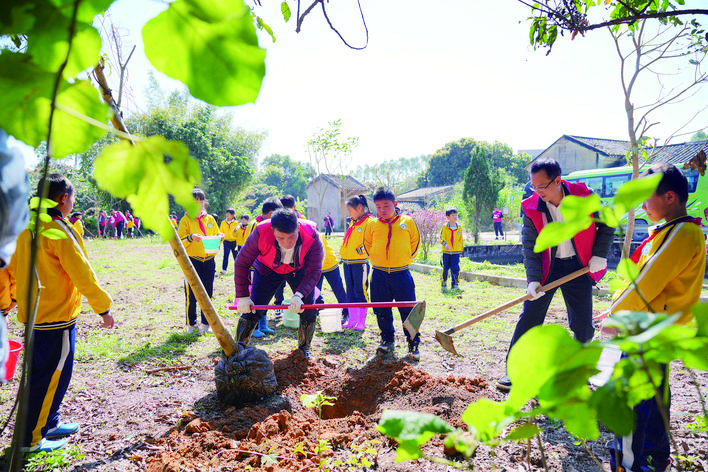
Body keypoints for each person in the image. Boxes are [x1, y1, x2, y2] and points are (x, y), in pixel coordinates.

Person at [602, 163, 705, 472]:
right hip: (655, 326)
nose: (643, 206)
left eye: (647, 198)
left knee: (633, 399)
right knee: (655, 395)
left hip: (648, 328)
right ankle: (655, 456)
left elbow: (646, 281)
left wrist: (616, 314)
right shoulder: (670, 231)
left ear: (670, 197)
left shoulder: (682, 232)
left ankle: (628, 463)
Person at [8, 173, 114, 453]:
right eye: (73, 198)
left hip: (35, 315)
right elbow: (81, 271)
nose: (73, 203)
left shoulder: (24, 224)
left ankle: (49, 423)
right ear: (64, 198)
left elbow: (8, 267)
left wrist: (7, 302)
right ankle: (30, 440)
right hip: (55, 317)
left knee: (51, 373)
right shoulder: (56, 227)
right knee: (51, 376)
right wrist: (103, 307)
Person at [495, 158, 614, 391]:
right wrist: (534, 280)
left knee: (583, 324)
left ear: (558, 180)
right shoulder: (530, 206)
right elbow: (530, 245)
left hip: (579, 267)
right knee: (529, 317)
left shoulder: (584, 195)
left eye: (542, 186)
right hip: (548, 268)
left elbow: (607, 224)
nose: (537, 192)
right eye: (533, 186)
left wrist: (599, 255)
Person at [234, 208, 323, 357]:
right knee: (253, 308)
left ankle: (304, 350)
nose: (287, 243)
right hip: (267, 269)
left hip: (298, 270)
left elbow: (314, 270)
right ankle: (238, 351)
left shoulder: (312, 234)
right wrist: (243, 296)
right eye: (281, 238)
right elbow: (241, 263)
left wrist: (299, 295)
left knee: (309, 307)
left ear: (298, 228)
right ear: (272, 230)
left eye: (292, 237)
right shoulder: (261, 231)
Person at [363, 186, 421, 360]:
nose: (382, 210)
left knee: (408, 311)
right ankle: (387, 340)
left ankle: (413, 344)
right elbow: (367, 244)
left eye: (386, 206)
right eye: (378, 207)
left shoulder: (407, 222)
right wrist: (376, 259)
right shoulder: (372, 224)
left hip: (402, 274)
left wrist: (402, 261)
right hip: (379, 274)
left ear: (394, 204)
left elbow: (415, 244)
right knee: (381, 310)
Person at [178, 188, 224, 335]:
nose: (198, 204)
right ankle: (191, 325)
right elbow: (179, 241)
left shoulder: (210, 219)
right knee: (191, 294)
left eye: (201, 201)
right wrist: (191, 237)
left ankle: (206, 323)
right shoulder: (185, 220)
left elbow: (216, 235)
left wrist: (220, 236)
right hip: (192, 261)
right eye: (195, 201)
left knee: (207, 293)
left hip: (209, 260)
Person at [340, 194, 371, 330]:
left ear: (359, 208)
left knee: (361, 291)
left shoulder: (369, 222)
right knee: (351, 292)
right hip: (348, 263)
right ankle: (352, 319)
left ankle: (361, 321)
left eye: (350, 210)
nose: (349, 214)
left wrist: (360, 250)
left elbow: (371, 241)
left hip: (360, 263)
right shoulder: (353, 222)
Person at [315, 233, 349, 323]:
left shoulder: (316, 235)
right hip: (317, 267)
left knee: (338, 288)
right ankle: (319, 309)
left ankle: (346, 312)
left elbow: (322, 253)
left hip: (330, 264)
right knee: (315, 289)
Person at [440, 208, 463, 291]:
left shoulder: (459, 227)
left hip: (456, 252)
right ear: (448, 217)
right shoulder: (445, 227)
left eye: (456, 215)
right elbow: (441, 238)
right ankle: (443, 281)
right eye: (453, 215)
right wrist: (444, 244)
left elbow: (460, 240)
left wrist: (460, 251)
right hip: (446, 252)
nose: (455, 217)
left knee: (456, 267)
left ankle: (455, 284)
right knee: (445, 267)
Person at [219, 208, 239, 276]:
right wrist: (219, 242)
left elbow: (238, 233)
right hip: (226, 242)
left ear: (233, 215)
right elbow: (221, 232)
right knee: (226, 256)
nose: (227, 215)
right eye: (227, 213)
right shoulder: (223, 222)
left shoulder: (236, 223)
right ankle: (224, 270)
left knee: (236, 256)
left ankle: (238, 269)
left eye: (229, 214)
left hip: (234, 242)